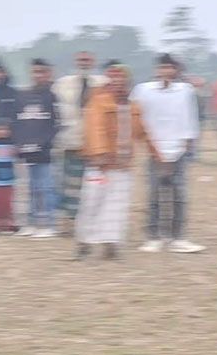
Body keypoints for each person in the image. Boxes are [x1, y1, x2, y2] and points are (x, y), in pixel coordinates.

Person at [75, 61, 158, 259]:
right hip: (100, 166)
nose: (118, 81)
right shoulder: (98, 102)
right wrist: (100, 153)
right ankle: (84, 243)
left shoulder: (134, 107)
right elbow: (94, 129)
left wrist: (156, 154)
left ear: (128, 81)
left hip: (122, 167)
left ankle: (110, 245)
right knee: (91, 203)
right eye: (114, 77)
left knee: (116, 207)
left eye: (122, 78)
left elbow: (143, 132)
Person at [131, 53, 205, 253]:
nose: (166, 72)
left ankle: (178, 237)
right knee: (154, 195)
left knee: (179, 196)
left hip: (178, 149)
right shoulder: (143, 90)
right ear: (157, 70)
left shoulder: (185, 90)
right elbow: (134, 115)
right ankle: (153, 236)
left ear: (175, 70)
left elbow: (190, 118)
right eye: (163, 68)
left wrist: (189, 143)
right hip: (154, 149)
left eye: (170, 68)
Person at [53, 51, 107, 234]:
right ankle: (69, 223)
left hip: (96, 145)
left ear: (93, 62)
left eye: (87, 60)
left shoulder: (102, 84)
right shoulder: (63, 84)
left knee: (95, 185)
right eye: (81, 60)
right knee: (69, 186)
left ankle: (94, 223)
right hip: (71, 142)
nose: (84, 63)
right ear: (76, 61)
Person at [14, 58, 59, 239]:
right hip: (28, 150)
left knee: (46, 187)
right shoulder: (25, 95)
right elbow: (19, 122)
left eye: (42, 72)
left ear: (48, 74)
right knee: (31, 187)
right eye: (35, 72)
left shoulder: (52, 96)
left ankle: (49, 224)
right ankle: (32, 222)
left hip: (45, 150)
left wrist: (45, 142)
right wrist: (21, 144)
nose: (38, 75)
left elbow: (56, 124)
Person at [0, 120, 18, 233]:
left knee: (8, 202)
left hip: (9, 180)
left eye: (3, 129)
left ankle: (8, 221)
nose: (0, 132)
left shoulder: (12, 145)